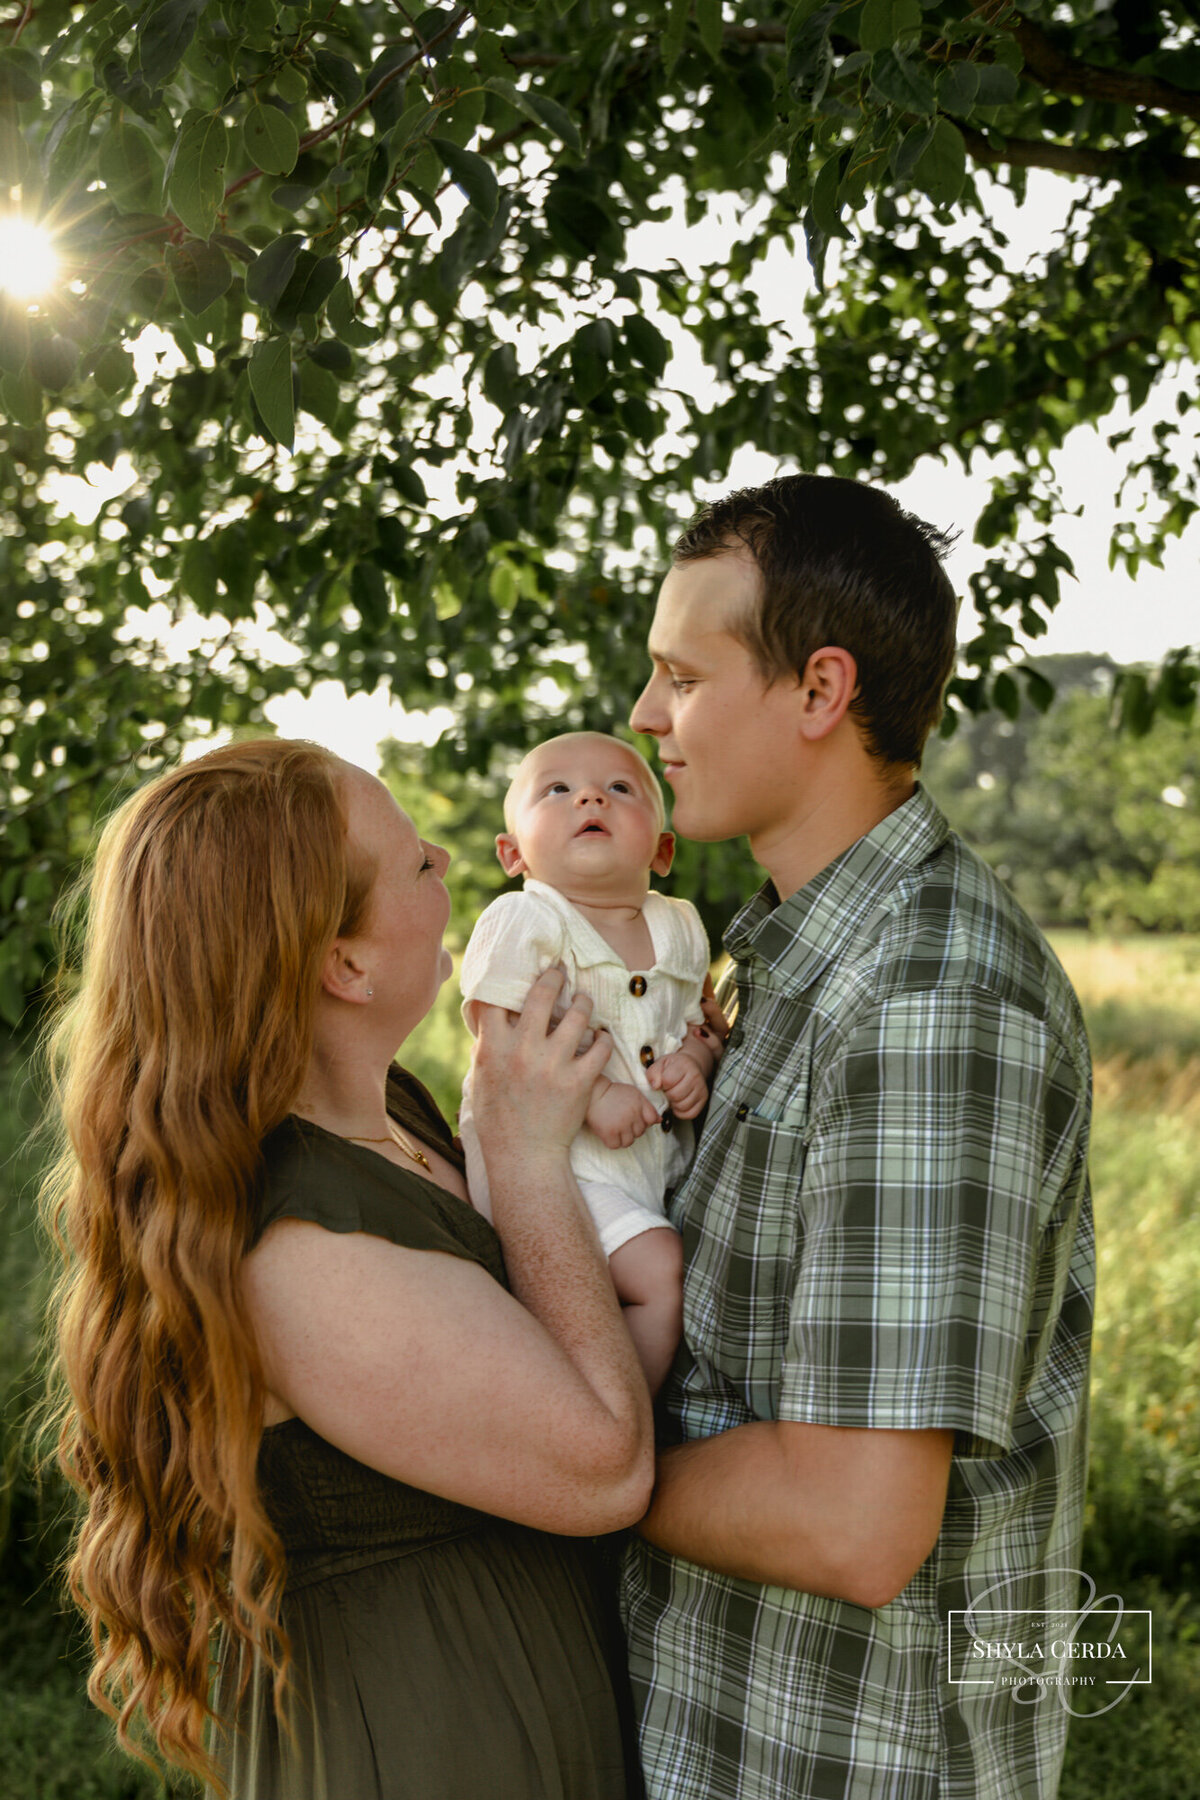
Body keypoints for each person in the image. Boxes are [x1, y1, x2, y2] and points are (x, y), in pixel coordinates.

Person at [41, 737, 655, 1800]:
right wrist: (523, 1156)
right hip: (429, 1737)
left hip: (514, 1694)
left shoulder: (392, 1116)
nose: (447, 861)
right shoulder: (298, 1246)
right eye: (416, 861)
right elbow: (604, 1467)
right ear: (346, 965)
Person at [622, 474, 1094, 1800]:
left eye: (683, 677)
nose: (650, 718)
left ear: (819, 693)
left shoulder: (933, 1001)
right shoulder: (788, 966)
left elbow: (853, 1524)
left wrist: (561, 1456)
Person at [458, 732, 716, 1391]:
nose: (591, 796)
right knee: (665, 1278)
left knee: (651, 1277)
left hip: (646, 1174)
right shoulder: (525, 918)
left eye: (620, 789)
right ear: (514, 853)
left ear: (661, 850)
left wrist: (695, 1060)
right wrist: (597, 1090)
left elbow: (694, 1021)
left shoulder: (681, 927)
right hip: (557, 1172)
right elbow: (499, 1027)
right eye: (557, 790)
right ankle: (613, 1421)